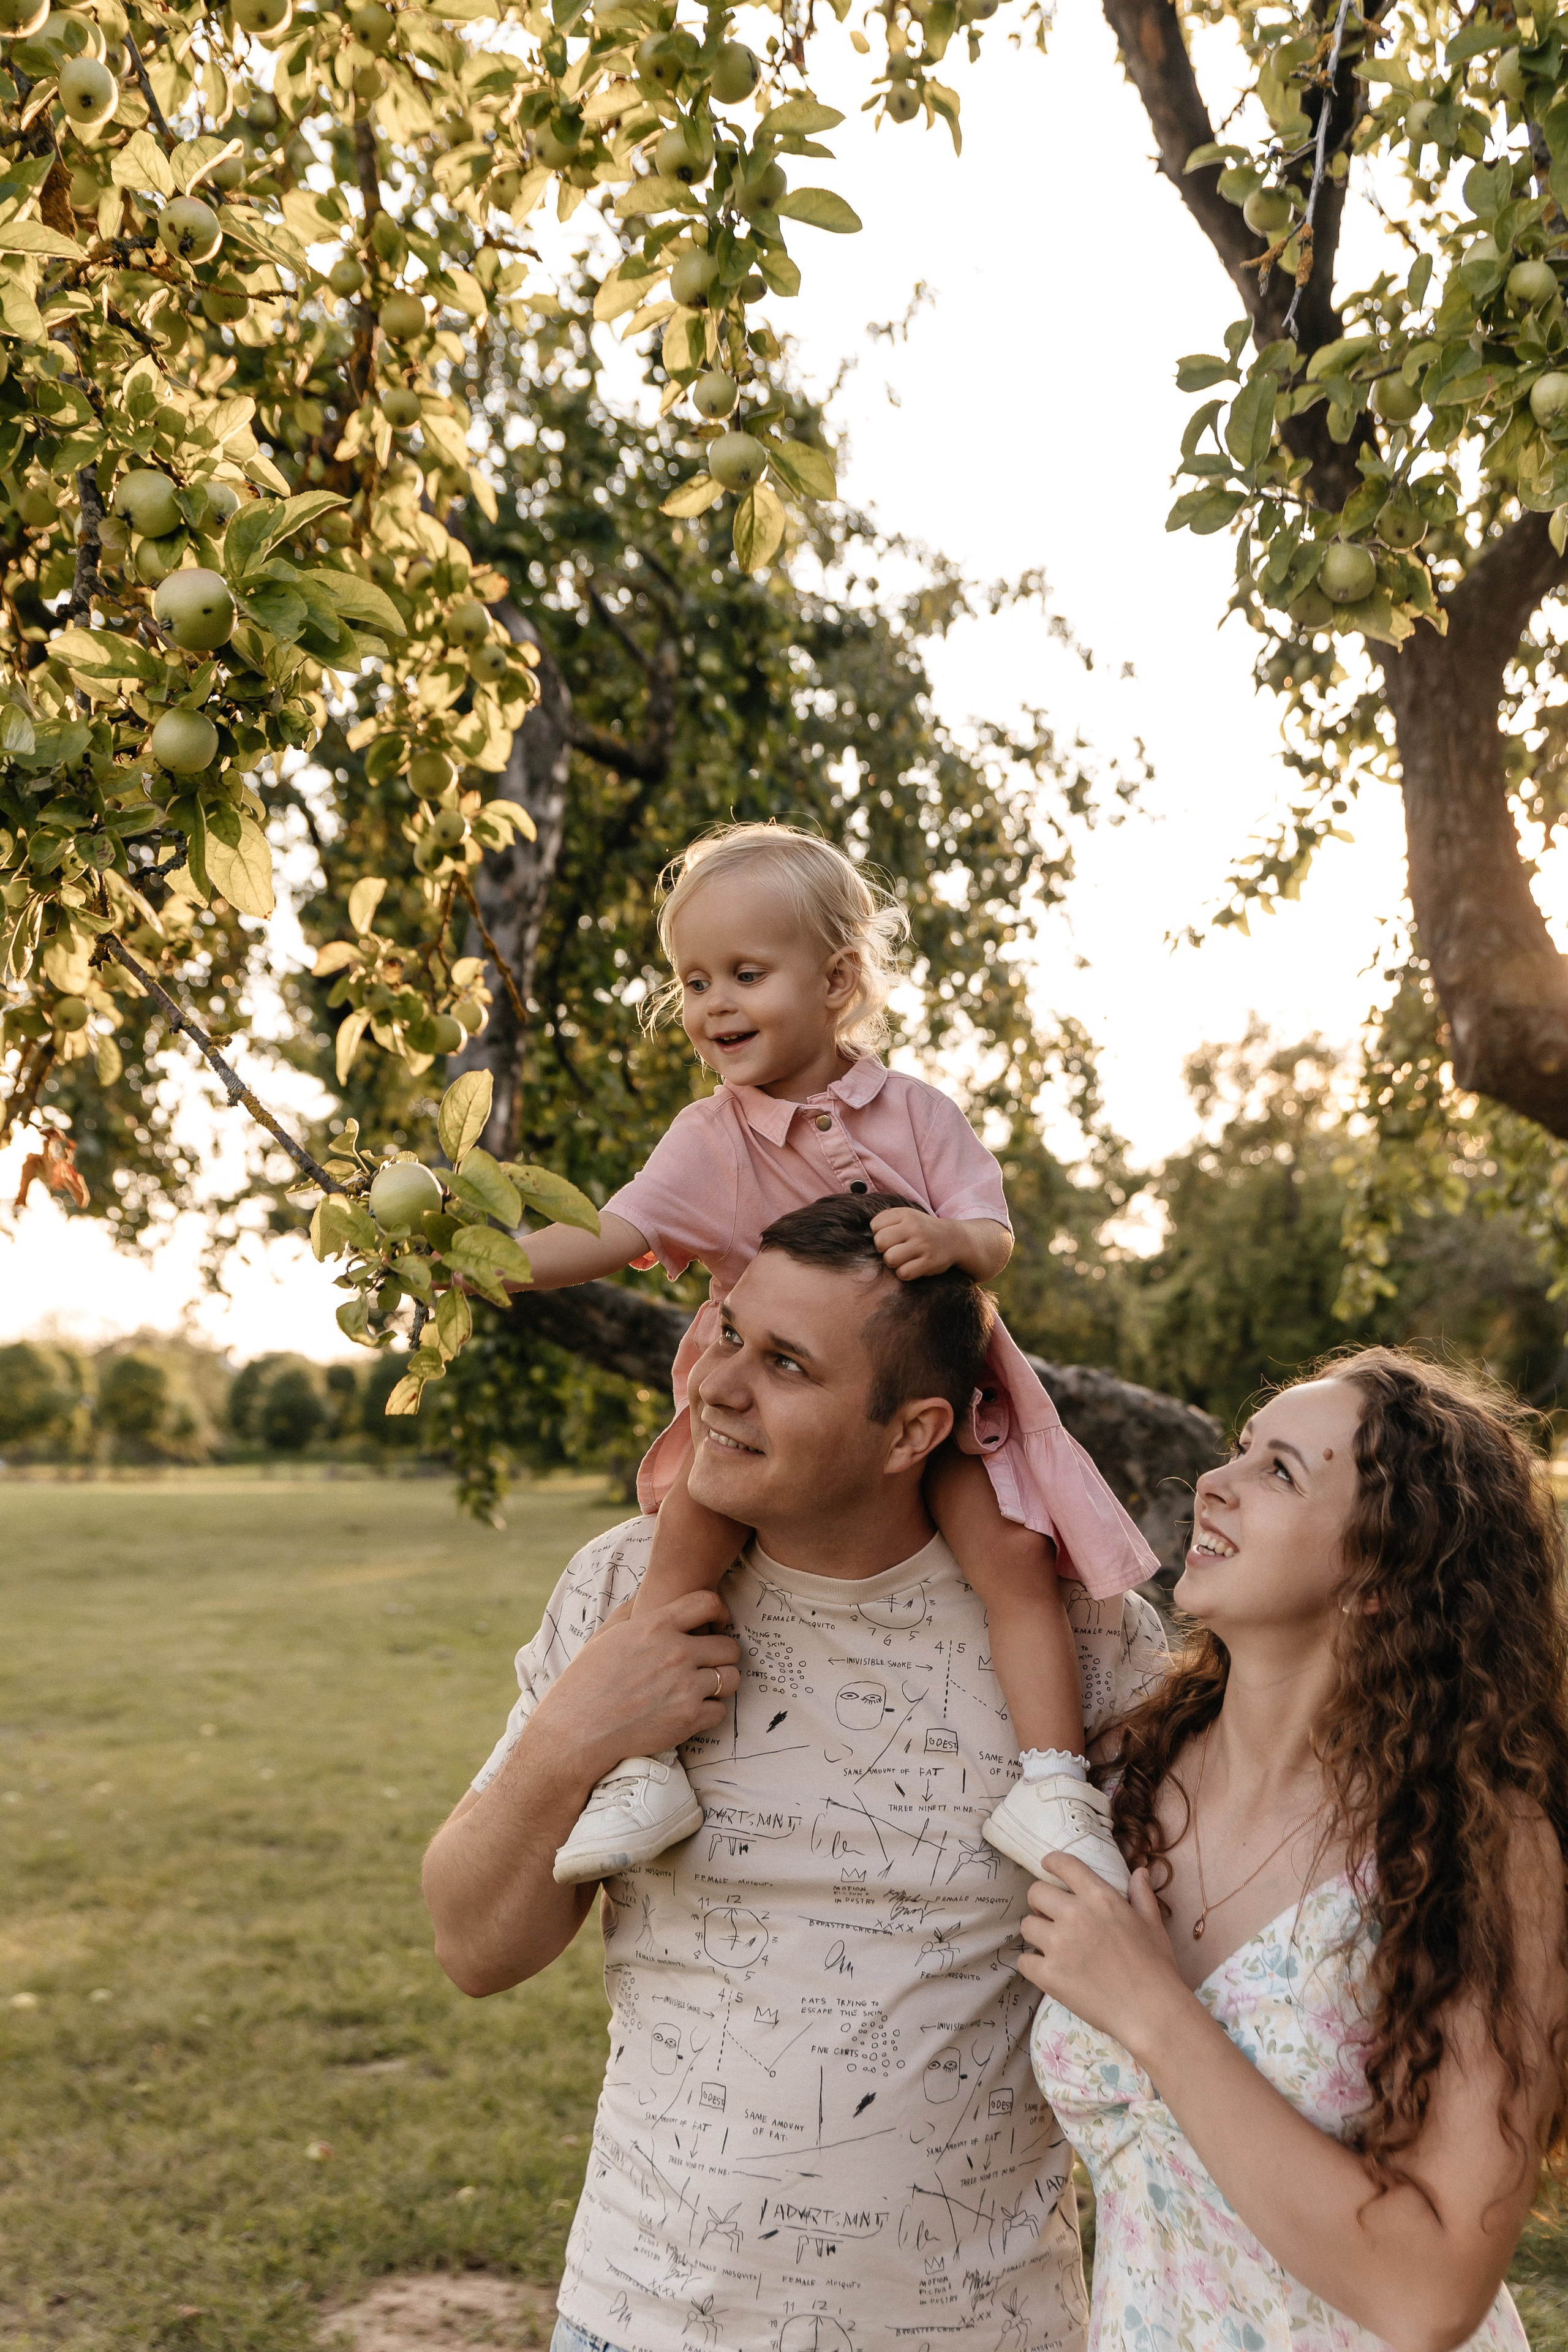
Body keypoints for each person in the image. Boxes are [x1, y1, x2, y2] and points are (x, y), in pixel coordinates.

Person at [423, 1193, 1170, 2352]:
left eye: (785, 1364)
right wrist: (580, 1725)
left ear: (911, 1432)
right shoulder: (624, 1589)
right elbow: (475, 1947)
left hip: (980, 2332)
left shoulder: (1087, 1645)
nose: (717, 1385)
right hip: (641, 2319)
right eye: (727, 1332)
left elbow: (1197, 1981)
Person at [500, 821, 1156, 1889]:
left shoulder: (916, 1113)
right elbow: (616, 1234)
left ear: (838, 980)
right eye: (693, 980)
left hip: (937, 1400)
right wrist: (485, 1262)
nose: (713, 1005)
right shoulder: (711, 1142)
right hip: (770, 1420)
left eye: (746, 975)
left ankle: (1050, 1782)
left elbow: (992, 1238)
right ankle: (647, 1764)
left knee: (1012, 1558)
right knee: (688, 1539)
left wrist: (947, 1243)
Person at [1023, 1349, 1568, 2352]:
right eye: (1239, 1451)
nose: (1215, 1485)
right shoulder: (1125, 1771)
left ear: (1379, 1574)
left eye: (1278, 1472)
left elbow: (1432, 2295)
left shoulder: (1479, 1843)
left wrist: (1154, 2012)